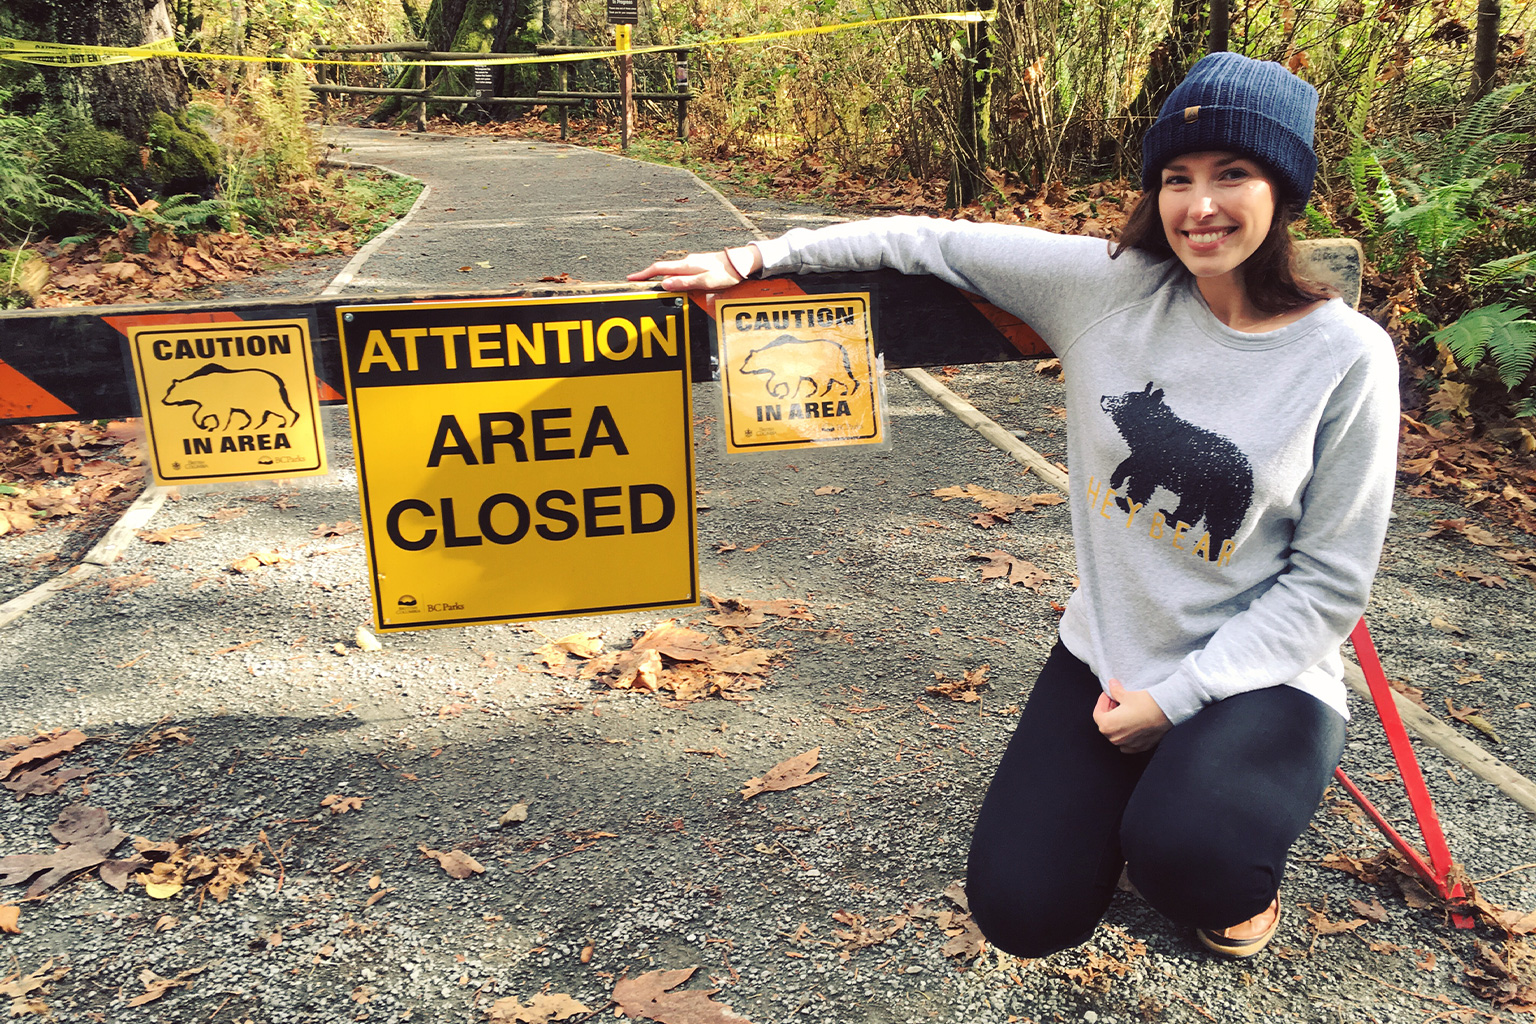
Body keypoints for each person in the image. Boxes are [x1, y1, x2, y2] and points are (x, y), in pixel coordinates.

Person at [630, 52, 1399, 959]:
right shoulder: (1106, 286)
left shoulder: (1346, 356)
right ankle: (1153, 799)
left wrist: (1178, 699)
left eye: (1233, 174)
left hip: (1260, 675)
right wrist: (755, 257)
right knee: (1022, 912)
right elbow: (926, 239)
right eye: (1176, 179)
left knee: (1191, 856)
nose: (1200, 206)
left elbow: (1327, 584)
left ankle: (1222, 874)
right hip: (1108, 650)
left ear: (1285, 187)